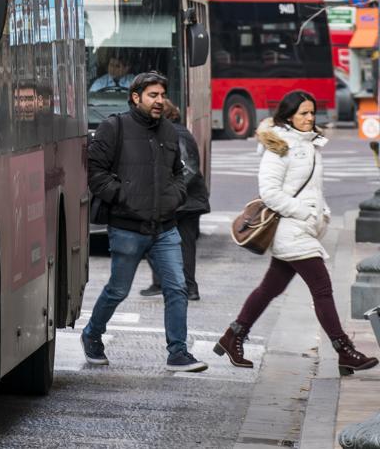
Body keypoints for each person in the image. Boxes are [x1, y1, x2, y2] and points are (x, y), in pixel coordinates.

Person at [215, 91, 378, 374]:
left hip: (302, 230)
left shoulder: (310, 144)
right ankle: (344, 350)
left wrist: (322, 213)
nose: (309, 118)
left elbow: (313, 189)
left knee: (269, 289)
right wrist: (305, 213)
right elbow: (270, 192)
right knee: (322, 289)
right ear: (288, 114)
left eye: (312, 112)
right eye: (303, 113)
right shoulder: (280, 146)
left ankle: (233, 336)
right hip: (292, 232)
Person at [81, 71, 208, 372]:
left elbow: (179, 172)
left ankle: (178, 352)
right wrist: (124, 197)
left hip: (165, 227)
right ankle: (92, 335)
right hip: (127, 226)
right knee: (118, 290)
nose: (159, 101)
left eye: (162, 95)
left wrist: (173, 198)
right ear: (136, 97)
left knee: (177, 288)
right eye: (153, 95)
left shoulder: (169, 131)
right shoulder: (115, 127)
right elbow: (95, 172)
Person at [139, 100, 210, 300]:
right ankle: (176, 285)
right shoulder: (172, 133)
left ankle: (184, 287)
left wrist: (169, 193)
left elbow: (188, 168)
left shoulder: (176, 134)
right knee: (173, 242)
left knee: (178, 243)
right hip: (185, 199)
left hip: (183, 201)